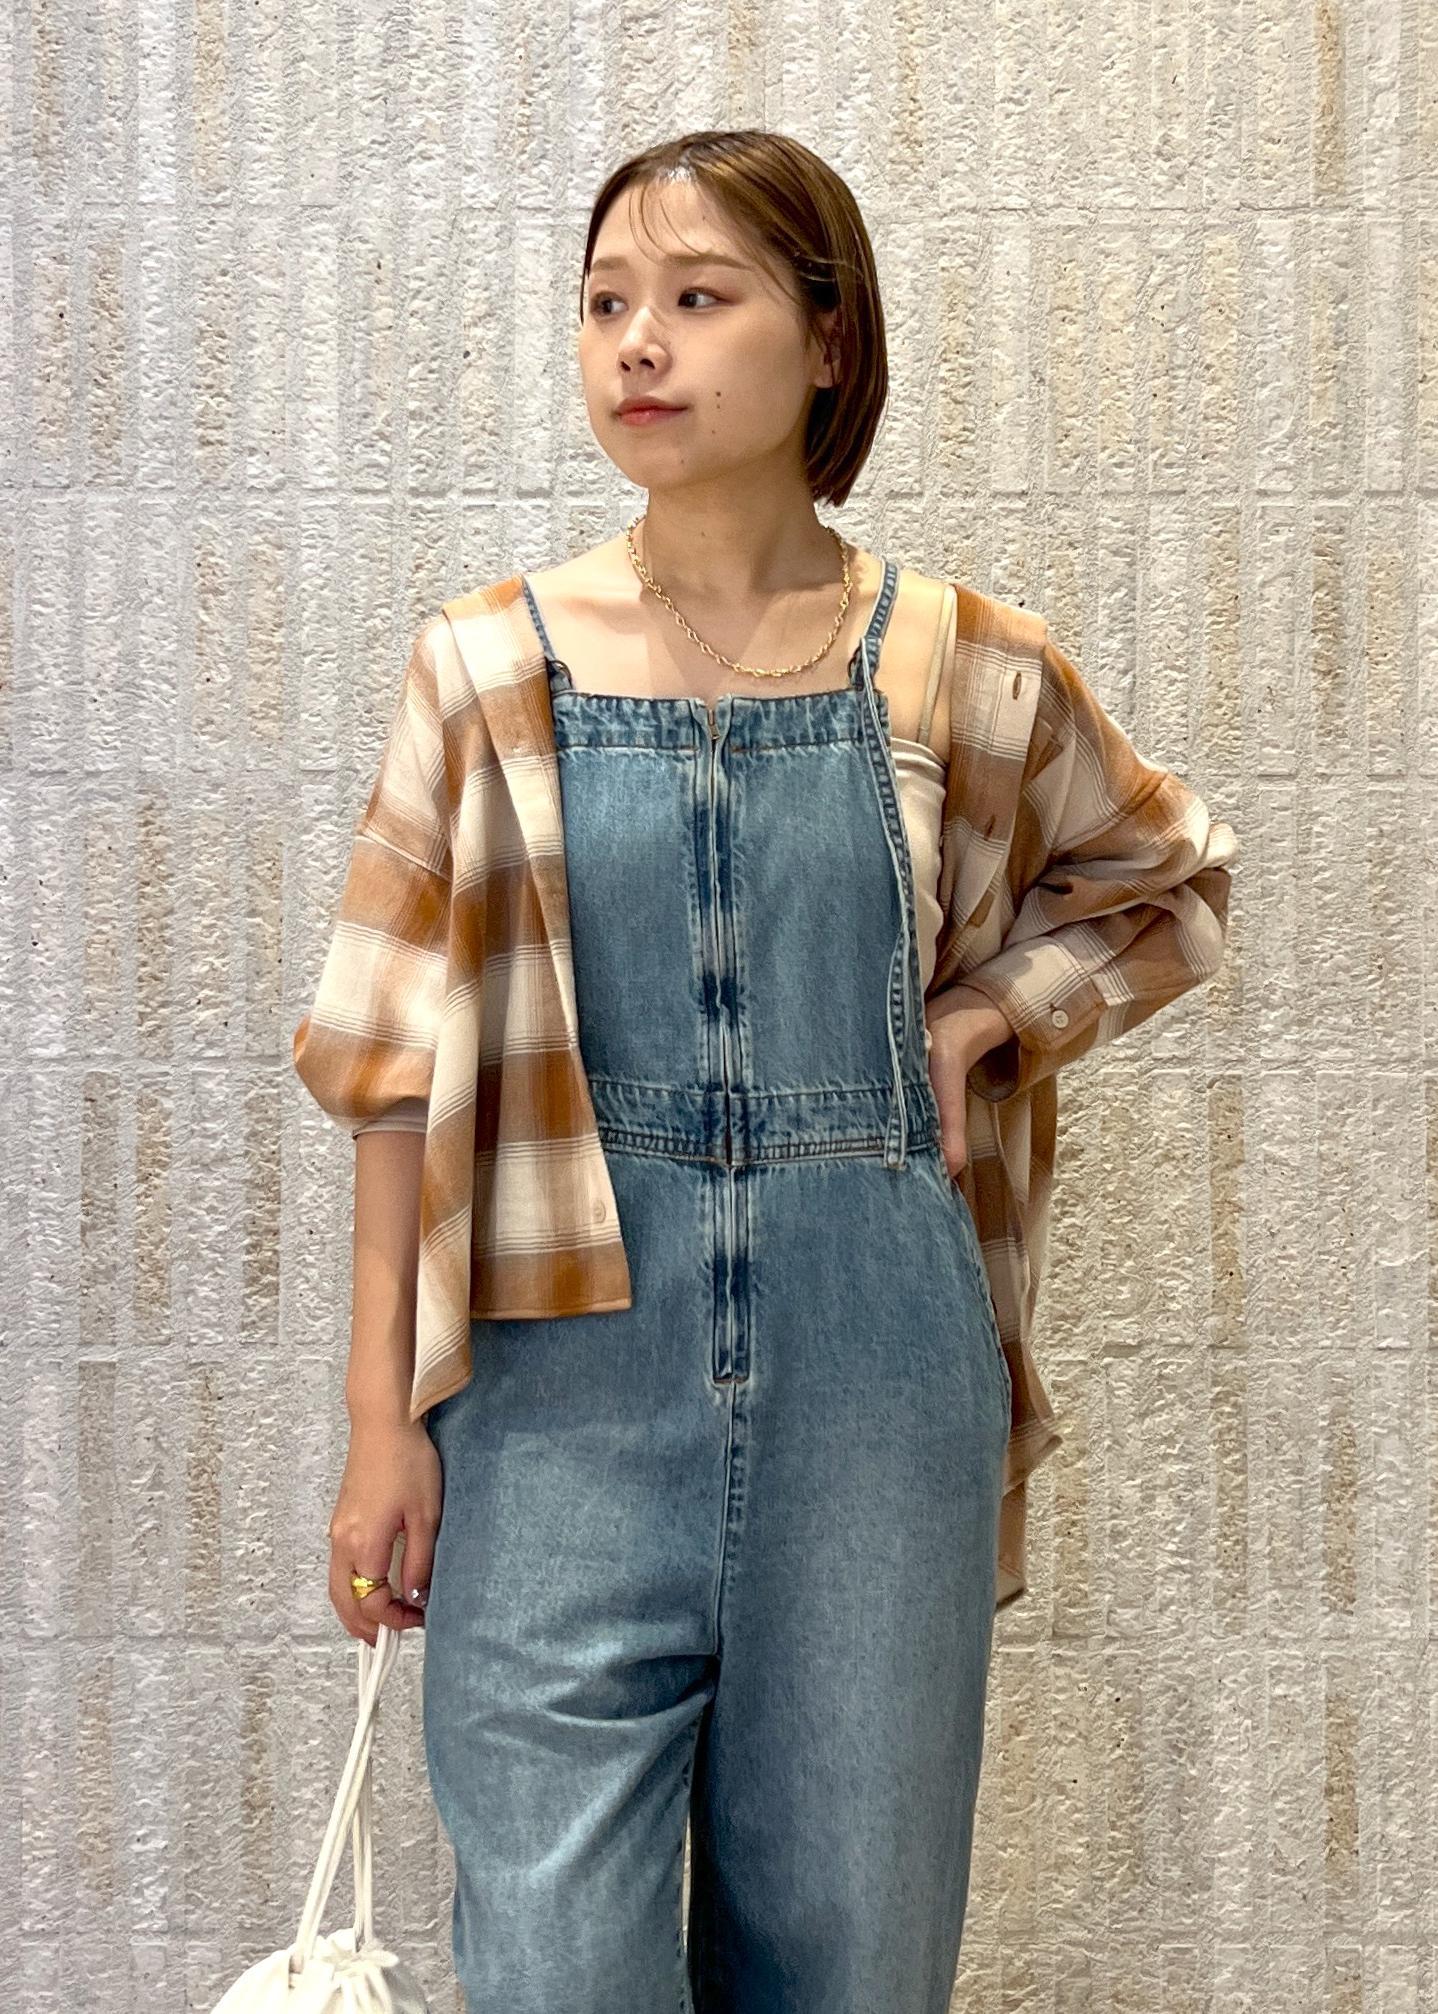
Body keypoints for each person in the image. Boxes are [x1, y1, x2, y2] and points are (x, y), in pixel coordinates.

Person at [296, 129, 1237, 2014]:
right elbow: (391, 1067)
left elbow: (1166, 882)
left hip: (876, 1387)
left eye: (696, 297)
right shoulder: (482, 669)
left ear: (825, 339)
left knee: (851, 1963)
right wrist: (379, 1425)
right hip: (552, 1393)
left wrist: (983, 1016)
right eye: (604, 303)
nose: (636, 343)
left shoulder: (964, 664)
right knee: (553, 1964)